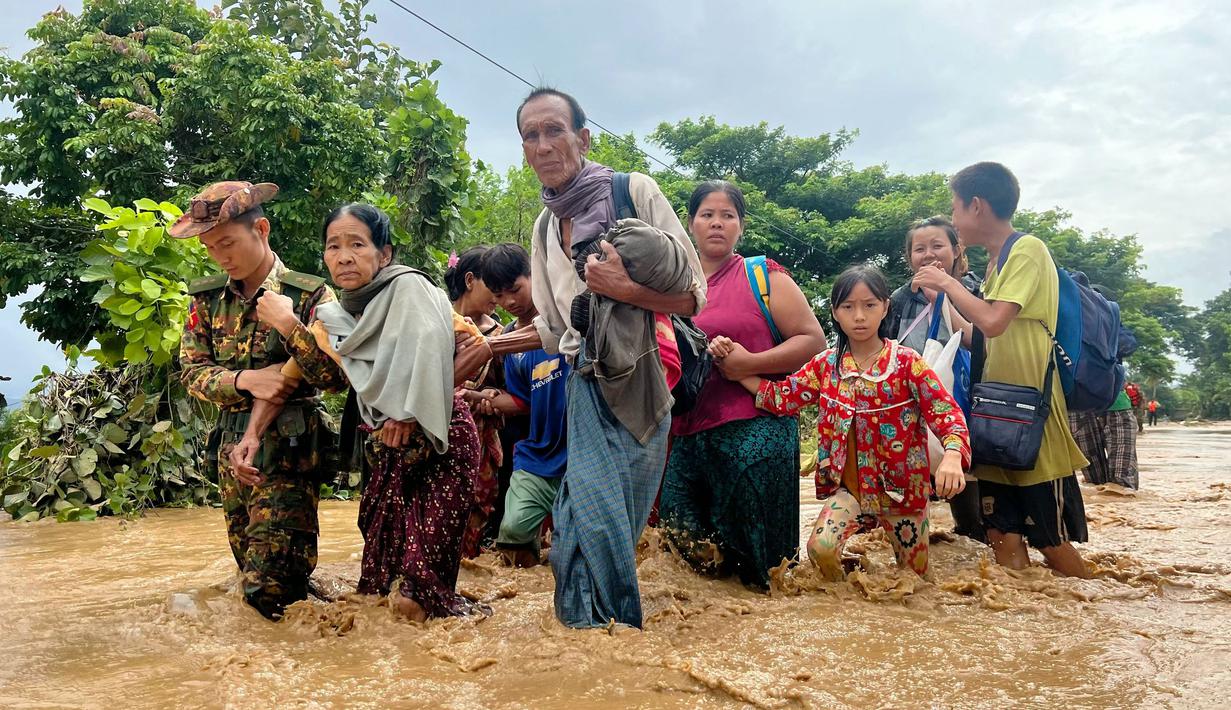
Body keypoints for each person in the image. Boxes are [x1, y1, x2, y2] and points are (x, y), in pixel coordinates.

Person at [486, 87, 706, 629]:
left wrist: (625, 291)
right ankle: (598, 644)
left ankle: (612, 637)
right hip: (581, 385)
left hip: (642, 378)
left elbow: (693, 297)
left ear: (583, 138)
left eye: (554, 130)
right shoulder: (542, 228)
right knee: (578, 520)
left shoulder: (634, 191)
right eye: (531, 135)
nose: (543, 145)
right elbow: (553, 331)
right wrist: (486, 345)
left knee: (611, 522)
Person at [295, 203, 490, 620]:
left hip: (441, 438)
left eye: (357, 244)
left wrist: (408, 411)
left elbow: (478, 348)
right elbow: (321, 377)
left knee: (414, 592)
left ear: (384, 254)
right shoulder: (336, 315)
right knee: (379, 584)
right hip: (384, 445)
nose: (344, 256)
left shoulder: (410, 290)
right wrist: (284, 325)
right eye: (333, 246)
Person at [174, 181, 346, 620]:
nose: (221, 256)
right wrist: (247, 379)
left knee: (267, 589)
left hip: (289, 454)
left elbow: (335, 379)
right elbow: (192, 372)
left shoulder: (309, 296)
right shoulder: (206, 300)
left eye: (228, 243)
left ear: (262, 229)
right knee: (258, 577)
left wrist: (291, 329)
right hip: (231, 453)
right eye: (211, 248)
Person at [735, 265, 970, 581]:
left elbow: (947, 414)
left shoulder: (907, 364)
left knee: (915, 582)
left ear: (885, 307)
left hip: (902, 494)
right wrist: (738, 371)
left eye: (869, 305)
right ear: (835, 312)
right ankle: (847, 595)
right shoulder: (825, 366)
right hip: (851, 491)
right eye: (848, 307)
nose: (859, 316)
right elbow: (782, 397)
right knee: (820, 549)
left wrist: (953, 456)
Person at [914, 161, 1091, 578]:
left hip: (1033, 417)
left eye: (954, 208)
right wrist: (940, 303)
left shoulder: (1028, 249)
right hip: (993, 417)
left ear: (976, 206)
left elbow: (995, 321)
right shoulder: (995, 264)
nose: (953, 219)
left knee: (1051, 539)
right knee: (1002, 534)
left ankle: (1092, 615)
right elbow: (983, 338)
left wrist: (949, 285)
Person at [659, 180, 827, 589]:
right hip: (686, 436)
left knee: (763, 571)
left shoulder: (762, 275)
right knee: (681, 538)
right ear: (690, 224)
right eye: (707, 215)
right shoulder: (670, 288)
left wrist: (749, 363)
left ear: (741, 226)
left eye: (727, 215)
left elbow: (814, 343)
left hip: (757, 431)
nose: (717, 223)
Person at [888, 215, 984, 542]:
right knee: (909, 506)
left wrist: (941, 296)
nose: (928, 254)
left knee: (970, 505)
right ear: (909, 257)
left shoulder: (974, 289)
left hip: (965, 403)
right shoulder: (899, 298)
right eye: (919, 249)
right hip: (911, 407)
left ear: (957, 249)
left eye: (937, 246)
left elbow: (984, 342)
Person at [475, 244, 570, 567]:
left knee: (573, 546)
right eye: (499, 296)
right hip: (538, 454)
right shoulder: (508, 340)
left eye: (515, 289)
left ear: (535, 275)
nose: (509, 302)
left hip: (581, 453)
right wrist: (486, 400)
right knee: (513, 535)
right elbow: (523, 401)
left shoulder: (566, 318)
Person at [445, 246, 505, 558]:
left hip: (481, 440)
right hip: (437, 435)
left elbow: (504, 390)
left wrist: (485, 396)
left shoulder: (501, 334)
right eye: (492, 285)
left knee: (475, 512)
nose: (500, 294)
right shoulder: (437, 318)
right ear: (470, 280)